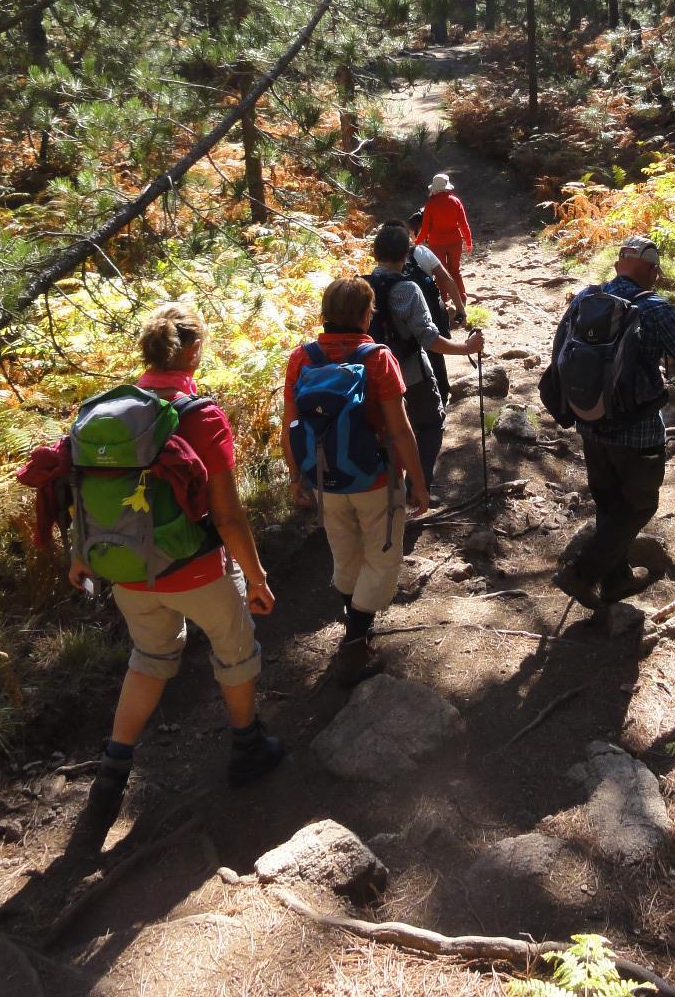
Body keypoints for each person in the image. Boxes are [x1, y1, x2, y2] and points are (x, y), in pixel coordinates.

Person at [70, 303, 283, 833]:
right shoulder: (200, 417)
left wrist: (80, 555)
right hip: (197, 571)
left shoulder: (104, 415)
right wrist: (256, 579)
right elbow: (229, 515)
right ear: (191, 352)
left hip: (128, 573)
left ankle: (114, 768)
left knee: (150, 655)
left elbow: (79, 493)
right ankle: (247, 747)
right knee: (236, 652)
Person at [545, 235, 675, 612]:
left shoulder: (586, 300)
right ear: (651, 271)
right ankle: (581, 573)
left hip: (590, 422)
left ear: (620, 263)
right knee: (638, 506)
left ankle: (616, 580)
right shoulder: (654, 307)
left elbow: (558, 354)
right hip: (637, 430)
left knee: (609, 504)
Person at [281, 277, 430, 684]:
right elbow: (400, 429)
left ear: (326, 313)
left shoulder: (302, 358)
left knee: (344, 555)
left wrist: (297, 477)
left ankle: (356, 632)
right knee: (382, 560)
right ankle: (356, 637)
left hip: (325, 482)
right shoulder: (377, 358)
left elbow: (289, 424)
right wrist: (417, 481)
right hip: (375, 480)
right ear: (366, 315)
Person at [369, 221, 484, 490]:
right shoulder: (408, 289)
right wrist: (467, 349)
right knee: (431, 424)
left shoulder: (362, 288)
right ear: (405, 254)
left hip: (374, 376)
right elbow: (430, 340)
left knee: (388, 431)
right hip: (411, 374)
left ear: (376, 254)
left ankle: (389, 489)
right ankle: (418, 488)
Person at [407, 210, 467, 400]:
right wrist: (460, 307)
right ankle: (441, 390)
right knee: (435, 349)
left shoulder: (385, 261)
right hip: (429, 310)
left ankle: (418, 395)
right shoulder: (422, 252)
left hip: (404, 317)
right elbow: (447, 278)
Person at [414, 173, 473, 303]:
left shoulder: (430, 205)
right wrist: (468, 241)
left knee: (441, 273)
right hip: (455, 241)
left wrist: (415, 243)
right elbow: (464, 224)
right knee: (455, 270)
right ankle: (462, 298)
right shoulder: (455, 201)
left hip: (437, 243)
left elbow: (425, 229)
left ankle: (443, 301)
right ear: (447, 186)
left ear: (434, 188)